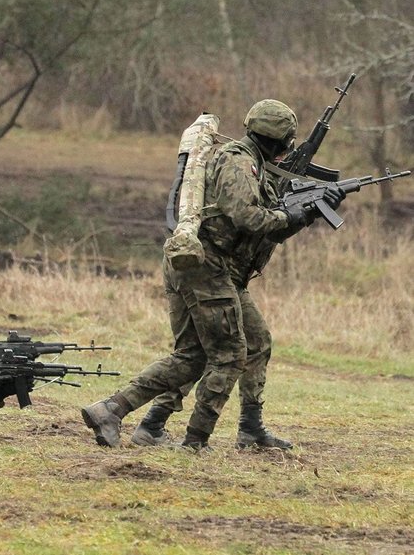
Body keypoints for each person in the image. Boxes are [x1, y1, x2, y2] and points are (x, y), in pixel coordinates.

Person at [81, 99, 345, 450]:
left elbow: (269, 230)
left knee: (245, 343)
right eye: (287, 142)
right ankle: (194, 440)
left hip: (216, 270)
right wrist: (290, 216)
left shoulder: (254, 164)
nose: (289, 150)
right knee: (227, 354)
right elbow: (248, 218)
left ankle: (121, 413)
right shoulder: (239, 162)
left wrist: (307, 213)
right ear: (278, 141)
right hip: (206, 268)